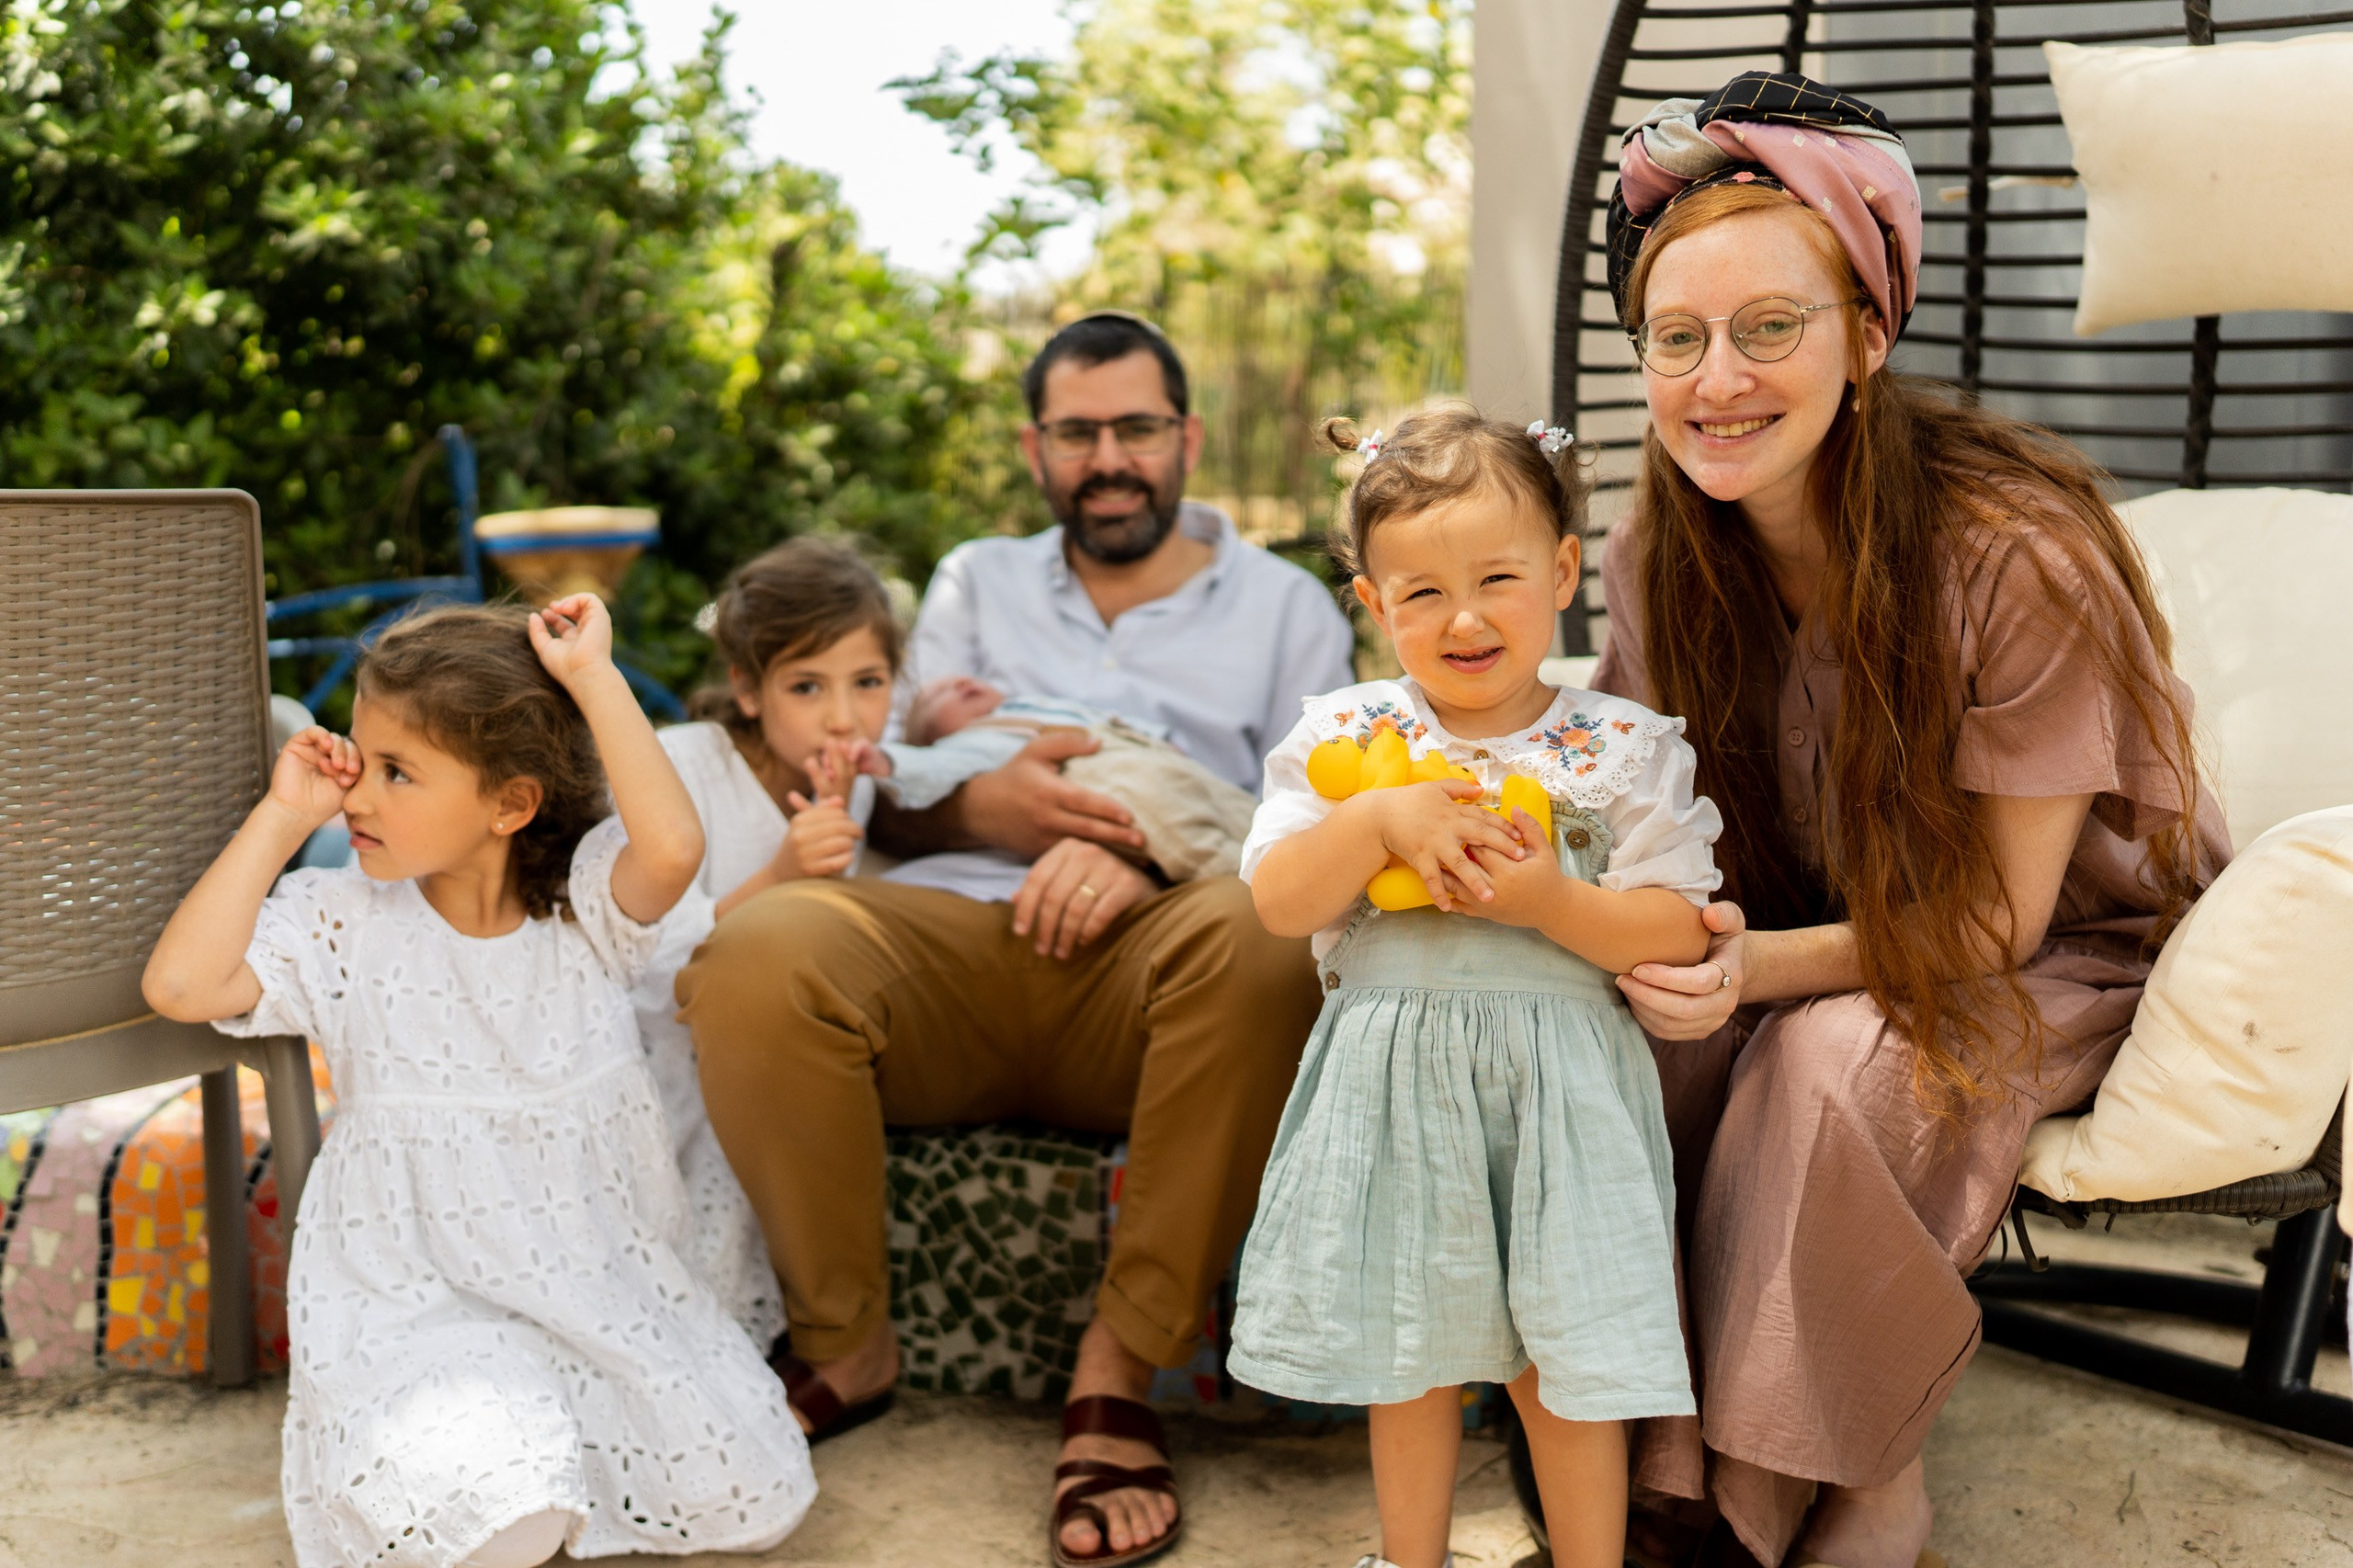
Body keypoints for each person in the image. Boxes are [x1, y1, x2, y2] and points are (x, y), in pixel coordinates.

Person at [1586, 74, 2225, 1568]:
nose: (1714, 380)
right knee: (1632, 1035)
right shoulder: (1651, 556)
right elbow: (1637, 818)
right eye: (1675, 338)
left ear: (1868, 336)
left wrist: (1749, 971)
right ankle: (1682, 1466)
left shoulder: (2014, 556)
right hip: (1799, 930)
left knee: (1820, 1054)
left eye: (1769, 327)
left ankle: (1757, 1502)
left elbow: (1998, 923)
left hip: (2049, 960)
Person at [676, 311, 1355, 1568]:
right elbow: (890, 771)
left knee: (1270, 939)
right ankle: (844, 1342)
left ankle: (1119, 1365)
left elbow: (1309, 816)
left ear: (1186, 437)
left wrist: (1140, 845)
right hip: (949, 950)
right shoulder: (976, 583)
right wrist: (993, 804)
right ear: (1036, 447)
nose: (1111, 457)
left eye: (1137, 428)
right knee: (760, 947)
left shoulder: (1285, 606)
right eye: (1079, 432)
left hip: (1161, 971)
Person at [141, 598, 815, 1568]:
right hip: (422, 1306)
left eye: (398, 772)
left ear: (510, 803)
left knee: (748, 1484)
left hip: (591, 1287)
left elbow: (671, 847)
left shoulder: (584, 910)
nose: (358, 798)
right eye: (360, 762)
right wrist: (285, 814)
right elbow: (180, 984)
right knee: (499, 1518)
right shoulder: (347, 920)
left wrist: (592, 674)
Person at [1233, 410, 1722, 1568]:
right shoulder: (1345, 738)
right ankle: (1411, 1558)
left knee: (1567, 1361)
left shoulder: (1622, 746)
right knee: (1408, 1345)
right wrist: (1375, 816)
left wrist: (1552, 901)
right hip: (1397, 1094)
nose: (1462, 617)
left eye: (1497, 577)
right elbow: (1281, 900)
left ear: (1561, 572)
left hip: (1565, 1104)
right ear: (1371, 603)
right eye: (1420, 594)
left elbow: (1676, 922)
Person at [634, 535, 905, 1356]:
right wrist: (783, 870)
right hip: (653, 1047)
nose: (844, 717)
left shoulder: (854, 776)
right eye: (806, 686)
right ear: (749, 691)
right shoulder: (680, 769)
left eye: (870, 682)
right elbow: (641, 956)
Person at [872, 675, 1260, 881]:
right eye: (937, 695)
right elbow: (925, 769)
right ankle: (1252, 889)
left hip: (1157, 760)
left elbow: (1112, 721)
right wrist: (886, 760)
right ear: (931, 736)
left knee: (1249, 817)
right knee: (1186, 836)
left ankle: (1282, 861)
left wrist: (1161, 742)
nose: (957, 683)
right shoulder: (971, 746)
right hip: (1111, 778)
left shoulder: (1032, 706)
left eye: (962, 679)